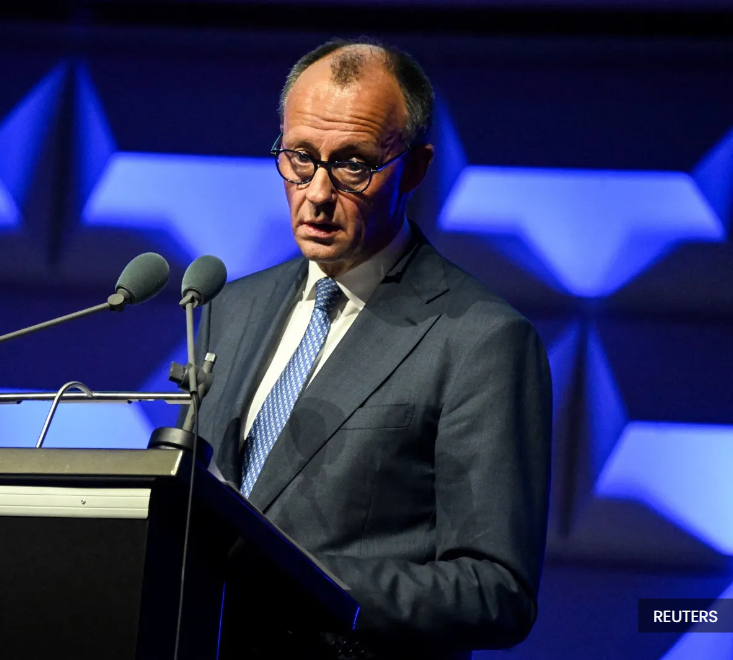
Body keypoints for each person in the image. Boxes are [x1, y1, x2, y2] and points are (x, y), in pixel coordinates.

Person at [192, 38, 552, 659]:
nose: (317, 192)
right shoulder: (231, 307)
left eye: (353, 165)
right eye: (299, 157)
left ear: (414, 169)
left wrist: (301, 580)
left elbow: (495, 591)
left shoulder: (482, 339)